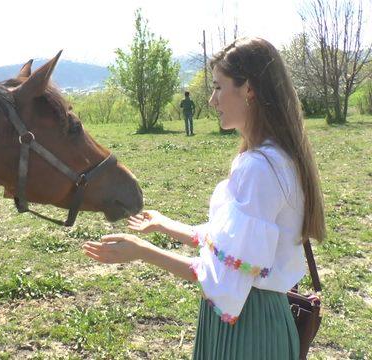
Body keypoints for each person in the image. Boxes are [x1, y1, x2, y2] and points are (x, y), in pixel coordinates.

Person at [82, 37, 326, 359]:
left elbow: (221, 278)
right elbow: (231, 248)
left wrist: (143, 252)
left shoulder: (259, 167)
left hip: (247, 329)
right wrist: (165, 225)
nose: (212, 100)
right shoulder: (277, 157)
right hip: (258, 319)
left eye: (218, 87)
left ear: (249, 89)